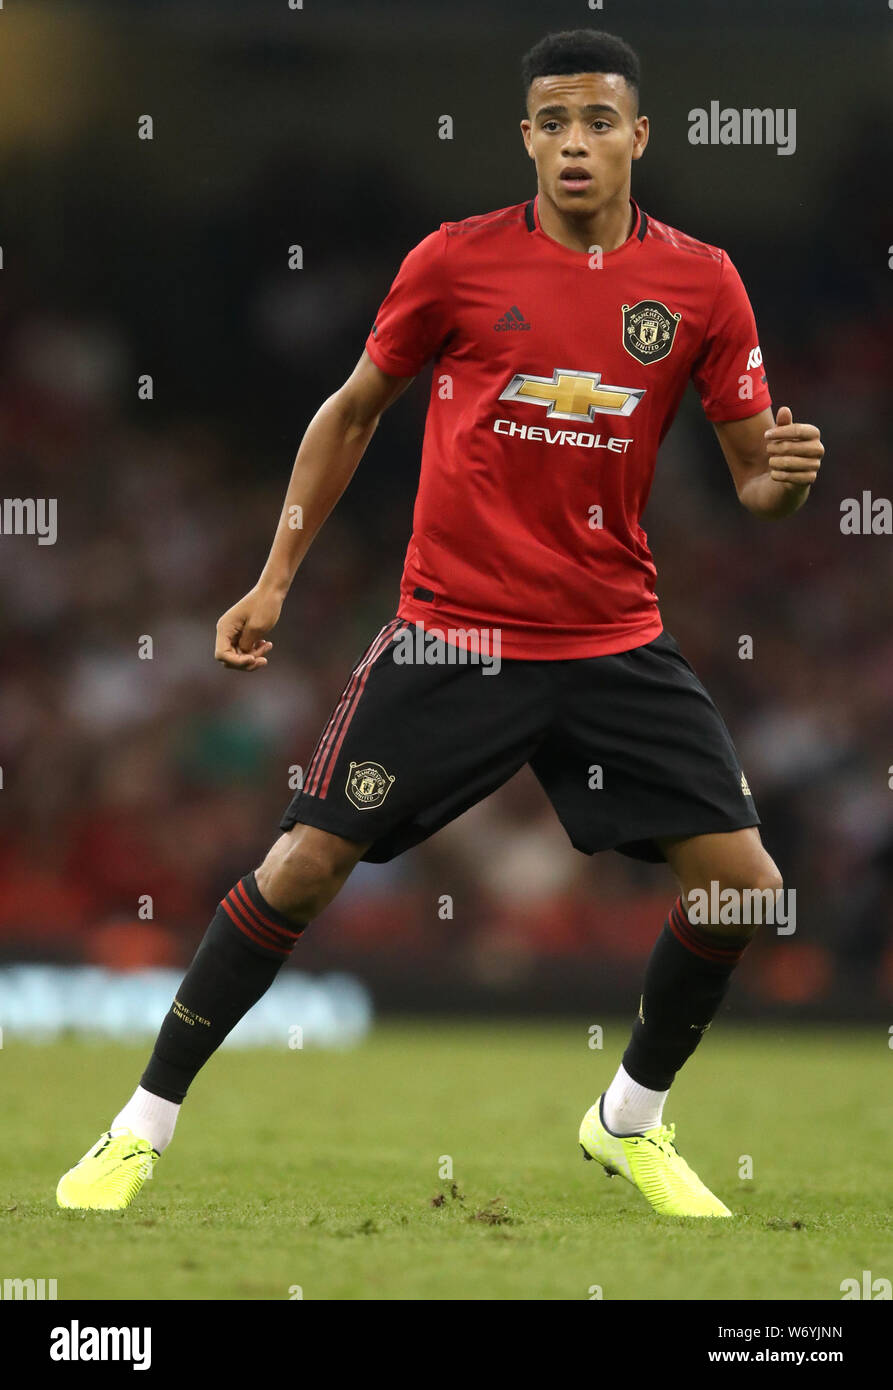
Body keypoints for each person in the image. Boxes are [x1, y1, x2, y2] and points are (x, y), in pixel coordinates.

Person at [57, 28, 823, 1217]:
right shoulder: (455, 262)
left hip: (612, 638)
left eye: (599, 120)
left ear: (638, 136)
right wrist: (273, 579)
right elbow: (353, 409)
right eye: (553, 121)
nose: (576, 141)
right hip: (451, 633)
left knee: (742, 889)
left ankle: (629, 1117)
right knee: (304, 866)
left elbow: (753, 483)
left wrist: (789, 473)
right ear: (524, 136)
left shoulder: (700, 282)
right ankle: (137, 1128)